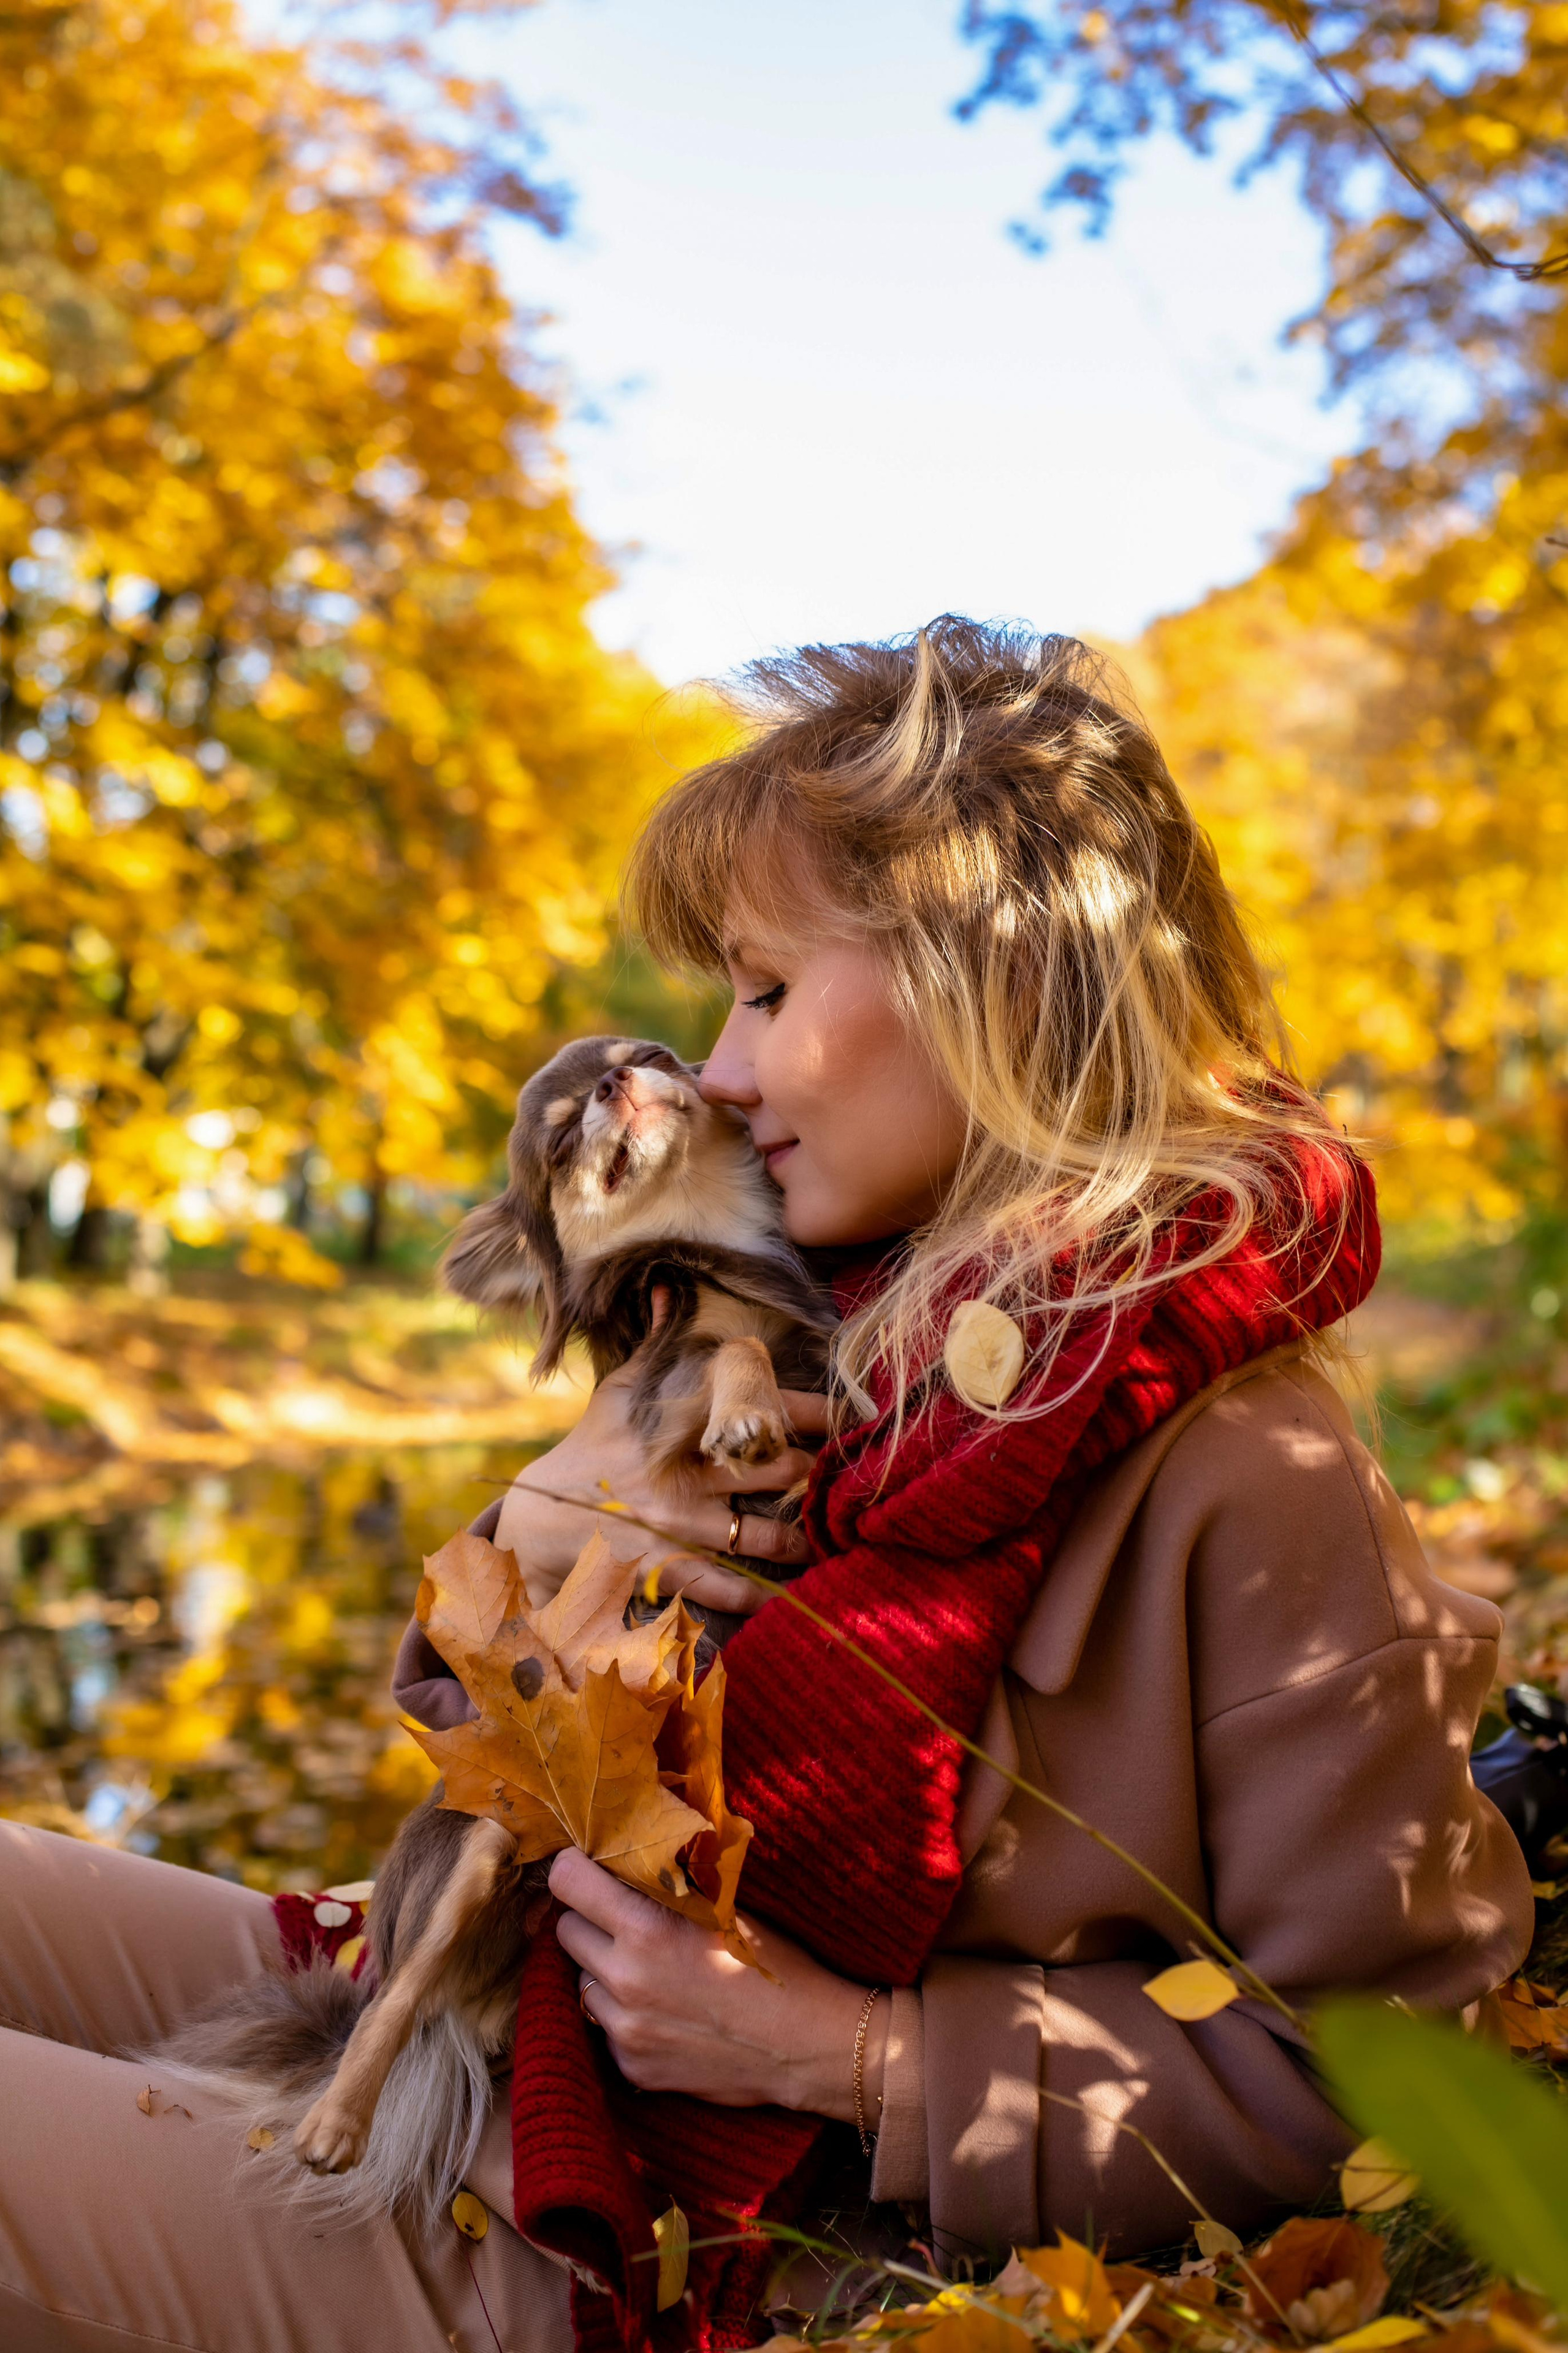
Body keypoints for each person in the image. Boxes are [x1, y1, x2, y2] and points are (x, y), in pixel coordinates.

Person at [0, 622, 1531, 2353]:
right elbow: (506, 1761)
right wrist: (539, 1527)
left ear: (990, 983)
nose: (717, 1069)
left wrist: (852, 2057)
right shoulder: (824, 1332)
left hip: (665, 2238)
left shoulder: (1248, 1467)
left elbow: (1396, 2086)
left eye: (766, 987)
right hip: (492, 2030)